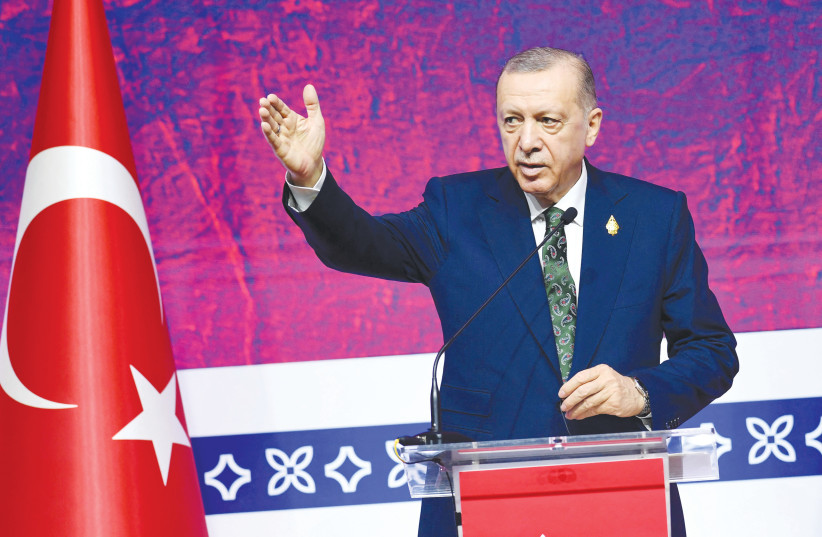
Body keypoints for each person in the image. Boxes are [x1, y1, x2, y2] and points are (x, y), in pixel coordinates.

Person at [258, 47, 738, 537]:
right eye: (512, 121)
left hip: (621, 497)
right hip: (485, 502)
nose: (526, 141)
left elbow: (712, 350)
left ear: (591, 125)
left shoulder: (653, 217)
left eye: (547, 121)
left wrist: (637, 392)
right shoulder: (456, 208)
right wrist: (309, 177)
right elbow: (361, 245)